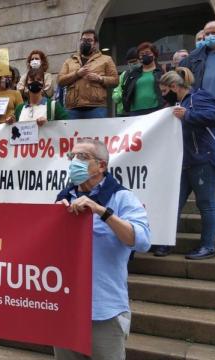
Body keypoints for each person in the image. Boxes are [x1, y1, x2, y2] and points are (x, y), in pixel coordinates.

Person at [54, 138, 150, 359]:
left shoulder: (121, 197)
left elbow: (142, 241)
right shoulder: (64, 198)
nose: (74, 162)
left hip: (104, 310)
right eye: (72, 157)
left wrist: (101, 211)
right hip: (67, 307)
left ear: (102, 166)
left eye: (82, 157)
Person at [154, 68, 215, 259]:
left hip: (203, 158)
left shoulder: (199, 97)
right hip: (184, 161)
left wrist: (187, 115)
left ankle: (208, 246)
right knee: (173, 204)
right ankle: (166, 242)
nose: (163, 95)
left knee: (206, 203)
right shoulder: (180, 103)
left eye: (164, 91)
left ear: (174, 87)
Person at [58, 29, 119, 119]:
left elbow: (115, 80)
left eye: (89, 40)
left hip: (97, 108)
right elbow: (60, 80)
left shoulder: (106, 59)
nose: (85, 42)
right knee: (73, 133)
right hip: (73, 109)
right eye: (83, 40)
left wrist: (100, 79)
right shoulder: (69, 61)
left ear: (95, 43)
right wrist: (77, 74)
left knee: (97, 133)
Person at [121, 42, 165, 116]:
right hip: (135, 112)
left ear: (154, 55)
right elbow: (125, 92)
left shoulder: (161, 71)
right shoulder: (133, 74)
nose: (144, 55)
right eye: (141, 54)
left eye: (147, 52)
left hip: (157, 110)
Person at [112, 47, 139, 116]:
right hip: (122, 113)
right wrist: (123, 94)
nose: (132, 64)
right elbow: (115, 97)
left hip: (138, 111)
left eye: (135, 61)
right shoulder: (124, 75)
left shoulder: (144, 74)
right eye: (130, 62)